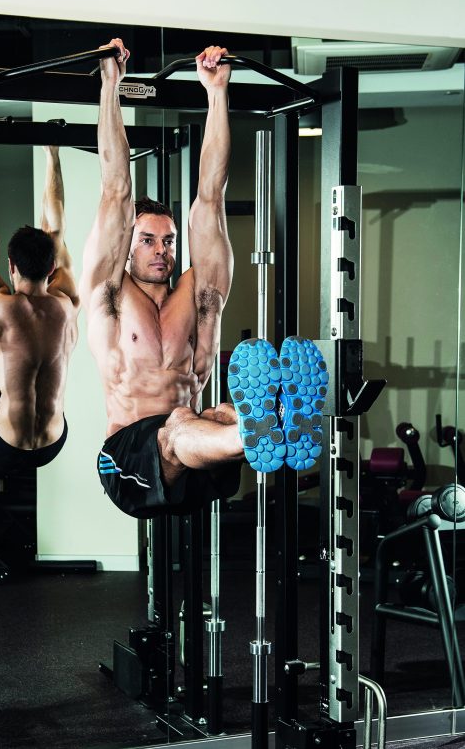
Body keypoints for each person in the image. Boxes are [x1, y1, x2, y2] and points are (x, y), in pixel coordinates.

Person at [80, 40, 327, 519]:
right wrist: (111, 86)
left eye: (169, 240)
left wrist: (217, 94)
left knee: (221, 411)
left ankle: (265, 427)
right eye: (148, 240)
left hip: (199, 451)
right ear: (127, 245)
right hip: (129, 460)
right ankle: (255, 431)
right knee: (180, 426)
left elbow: (210, 196)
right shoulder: (108, 294)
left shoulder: (198, 293)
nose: (162, 250)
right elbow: (116, 189)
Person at [0, 143, 79, 472]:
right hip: (53, 441)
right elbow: (55, 228)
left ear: (11, 266)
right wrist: (53, 156)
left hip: (4, 443)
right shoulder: (67, 303)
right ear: (52, 268)